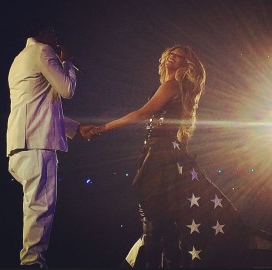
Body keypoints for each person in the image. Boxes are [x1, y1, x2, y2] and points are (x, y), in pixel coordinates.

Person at [85, 45, 256, 268]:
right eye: (171, 54)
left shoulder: (172, 85)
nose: (172, 58)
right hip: (160, 153)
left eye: (179, 58)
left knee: (154, 219)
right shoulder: (174, 87)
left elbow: (142, 113)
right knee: (161, 221)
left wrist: (102, 128)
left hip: (159, 155)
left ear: (186, 66)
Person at [6, 14, 94, 269]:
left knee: (34, 210)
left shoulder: (18, 60)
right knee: (40, 209)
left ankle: (32, 262)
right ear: (43, 31)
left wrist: (76, 129)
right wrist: (67, 63)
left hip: (19, 146)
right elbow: (66, 89)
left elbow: (40, 106)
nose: (56, 38)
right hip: (37, 145)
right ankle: (32, 265)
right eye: (53, 32)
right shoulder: (43, 51)